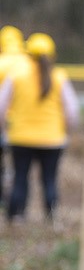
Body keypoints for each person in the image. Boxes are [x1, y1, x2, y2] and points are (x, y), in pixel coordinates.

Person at [0, 32, 80, 223]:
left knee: (20, 178)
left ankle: (17, 216)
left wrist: (4, 131)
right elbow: (72, 112)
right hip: (52, 139)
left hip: (20, 138)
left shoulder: (16, 75)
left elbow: (1, 107)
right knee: (49, 180)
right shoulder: (59, 77)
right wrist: (67, 131)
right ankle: (51, 217)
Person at [0, 24, 28, 206]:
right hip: (21, 124)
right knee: (20, 168)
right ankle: (17, 203)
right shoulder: (27, 63)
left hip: (2, 121)